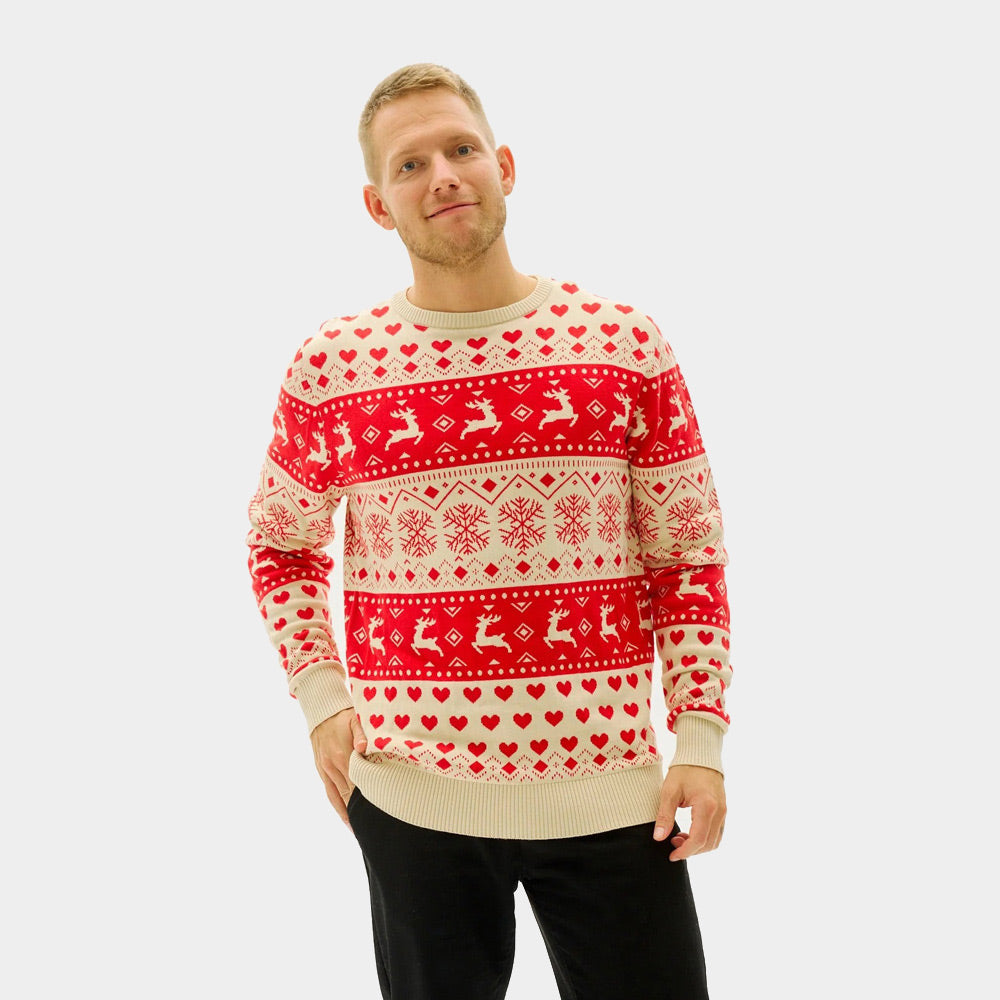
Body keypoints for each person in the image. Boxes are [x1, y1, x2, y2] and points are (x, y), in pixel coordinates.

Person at [246, 63, 734, 1000]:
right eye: (410, 164)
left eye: (461, 149)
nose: (443, 176)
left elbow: (687, 554)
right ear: (377, 205)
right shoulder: (335, 366)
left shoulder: (622, 344)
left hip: (612, 798)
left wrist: (701, 741)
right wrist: (321, 697)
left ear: (504, 165)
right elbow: (281, 543)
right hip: (411, 801)